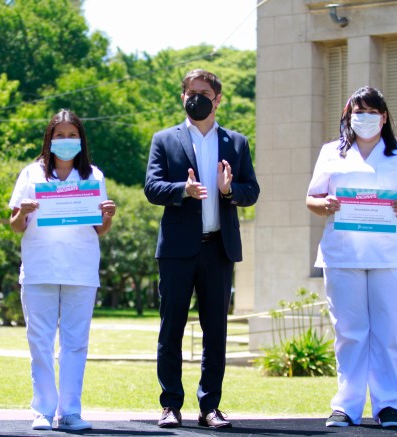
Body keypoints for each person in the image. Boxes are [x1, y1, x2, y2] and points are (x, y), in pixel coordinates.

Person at [306, 86, 397, 429]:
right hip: (343, 255)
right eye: (358, 112)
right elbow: (312, 198)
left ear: (384, 117)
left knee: (388, 331)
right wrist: (324, 204)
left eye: (372, 113)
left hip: (393, 257)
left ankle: (390, 405)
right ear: (348, 115)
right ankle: (346, 406)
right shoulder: (332, 152)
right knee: (349, 331)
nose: (364, 119)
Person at [144, 69, 259, 429]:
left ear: (217, 98)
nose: (197, 97)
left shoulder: (236, 142)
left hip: (218, 249)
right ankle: (170, 405)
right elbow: (151, 187)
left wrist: (229, 191)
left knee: (215, 331)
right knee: (171, 328)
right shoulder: (165, 140)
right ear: (183, 97)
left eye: (204, 92)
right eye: (191, 92)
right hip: (177, 250)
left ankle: (210, 406)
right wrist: (182, 190)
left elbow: (251, 190)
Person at [9, 109, 116, 431]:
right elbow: (15, 226)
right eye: (60, 135)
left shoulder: (93, 176)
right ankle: (42, 410)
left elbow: (99, 229)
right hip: (40, 267)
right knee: (39, 341)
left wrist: (108, 216)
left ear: (81, 140)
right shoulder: (31, 174)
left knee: (75, 343)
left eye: (72, 135)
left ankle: (70, 411)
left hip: (80, 270)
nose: (66, 141)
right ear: (49, 139)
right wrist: (23, 212)